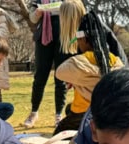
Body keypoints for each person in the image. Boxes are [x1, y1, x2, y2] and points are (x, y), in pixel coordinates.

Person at [54, 10, 124, 135]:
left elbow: (60, 72)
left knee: (59, 133)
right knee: (68, 108)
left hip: (84, 112)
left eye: (78, 40)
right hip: (110, 110)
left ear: (84, 40)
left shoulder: (79, 61)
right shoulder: (115, 59)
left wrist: (83, 78)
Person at [23, 0, 85, 129]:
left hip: (64, 35)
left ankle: (58, 115)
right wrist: (38, 12)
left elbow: (75, 10)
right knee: (40, 76)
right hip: (43, 38)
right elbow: (32, 19)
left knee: (61, 77)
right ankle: (33, 112)